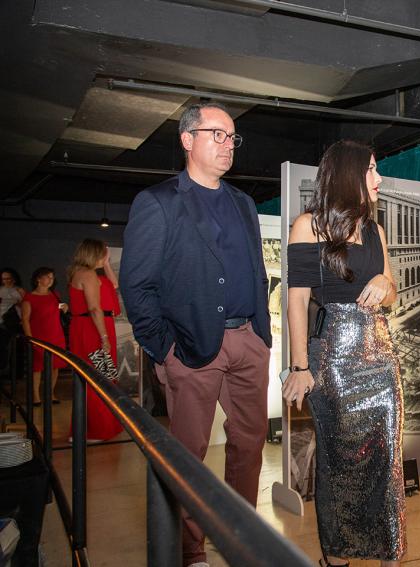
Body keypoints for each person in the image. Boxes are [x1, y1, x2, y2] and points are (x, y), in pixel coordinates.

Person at [121, 102, 271, 567]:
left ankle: (240, 535)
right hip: (190, 347)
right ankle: (192, 552)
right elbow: (136, 286)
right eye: (217, 135)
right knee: (189, 454)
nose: (228, 145)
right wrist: (165, 349)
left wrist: (263, 335)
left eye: (232, 138)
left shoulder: (243, 203)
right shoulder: (158, 201)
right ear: (187, 139)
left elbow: (254, 268)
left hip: (248, 340)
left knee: (249, 444)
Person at [284, 140, 405, 567]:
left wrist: (384, 286)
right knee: (337, 466)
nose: (379, 178)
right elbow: (296, 301)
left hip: (380, 358)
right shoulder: (308, 227)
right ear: (350, 173)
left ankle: (391, 556)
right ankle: (335, 559)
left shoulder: (376, 230)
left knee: (387, 465)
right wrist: (299, 366)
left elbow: (391, 291)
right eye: (372, 169)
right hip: (332, 360)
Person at [67, 239, 124, 441]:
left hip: (91, 327)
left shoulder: (82, 273)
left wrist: (107, 263)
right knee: (99, 377)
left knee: (102, 375)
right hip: (93, 330)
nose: (105, 257)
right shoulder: (88, 274)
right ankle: (95, 429)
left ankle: (93, 426)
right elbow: (93, 308)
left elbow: (114, 284)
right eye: (103, 254)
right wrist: (104, 337)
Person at [21, 267, 68, 405]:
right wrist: (30, 338)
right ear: (38, 279)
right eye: (48, 277)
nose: (50, 280)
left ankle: (50, 393)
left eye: (52, 277)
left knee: (55, 366)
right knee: (37, 368)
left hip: (56, 335)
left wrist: (63, 305)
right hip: (38, 336)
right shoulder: (29, 297)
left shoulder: (54, 294)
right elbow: (25, 319)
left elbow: (53, 307)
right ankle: (36, 396)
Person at [0, 268, 26, 371]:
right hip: (2, 322)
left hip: (15, 322)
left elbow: (26, 305)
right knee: (3, 348)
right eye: (3, 279)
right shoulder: (0, 290)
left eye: (8, 278)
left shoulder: (19, 290)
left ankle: (16, 373)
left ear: (14, 279)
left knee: (16, 348)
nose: (6, 281)